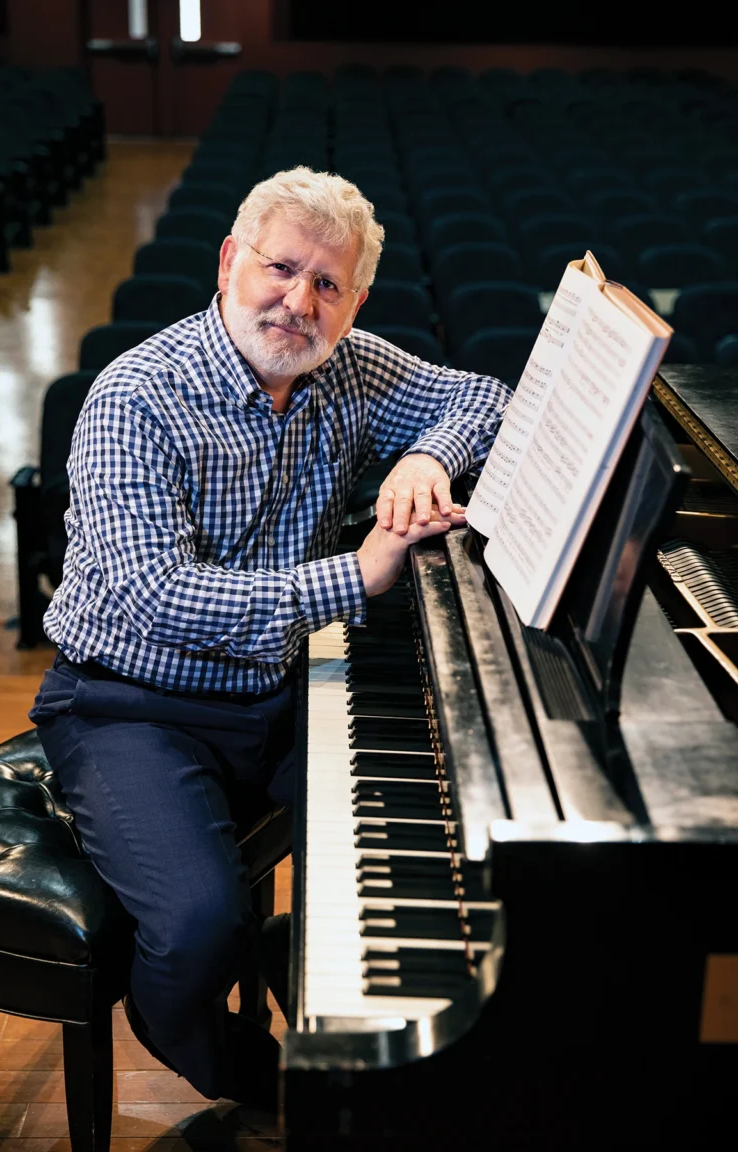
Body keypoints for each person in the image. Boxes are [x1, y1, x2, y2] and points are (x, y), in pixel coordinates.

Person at [28, 166, 511, 1109]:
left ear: (356, 301)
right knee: (201, 923)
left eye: (328, 284)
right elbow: (155, 598)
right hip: (128, 704)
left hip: (282, 692)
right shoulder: (136, 399)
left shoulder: (351, 365)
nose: (299, 301)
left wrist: (423, 452)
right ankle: (261, 1079)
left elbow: (485, 397)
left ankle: (352, 1017)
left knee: (430, 835)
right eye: (280, 268)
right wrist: (358, 574)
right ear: (229, 262)